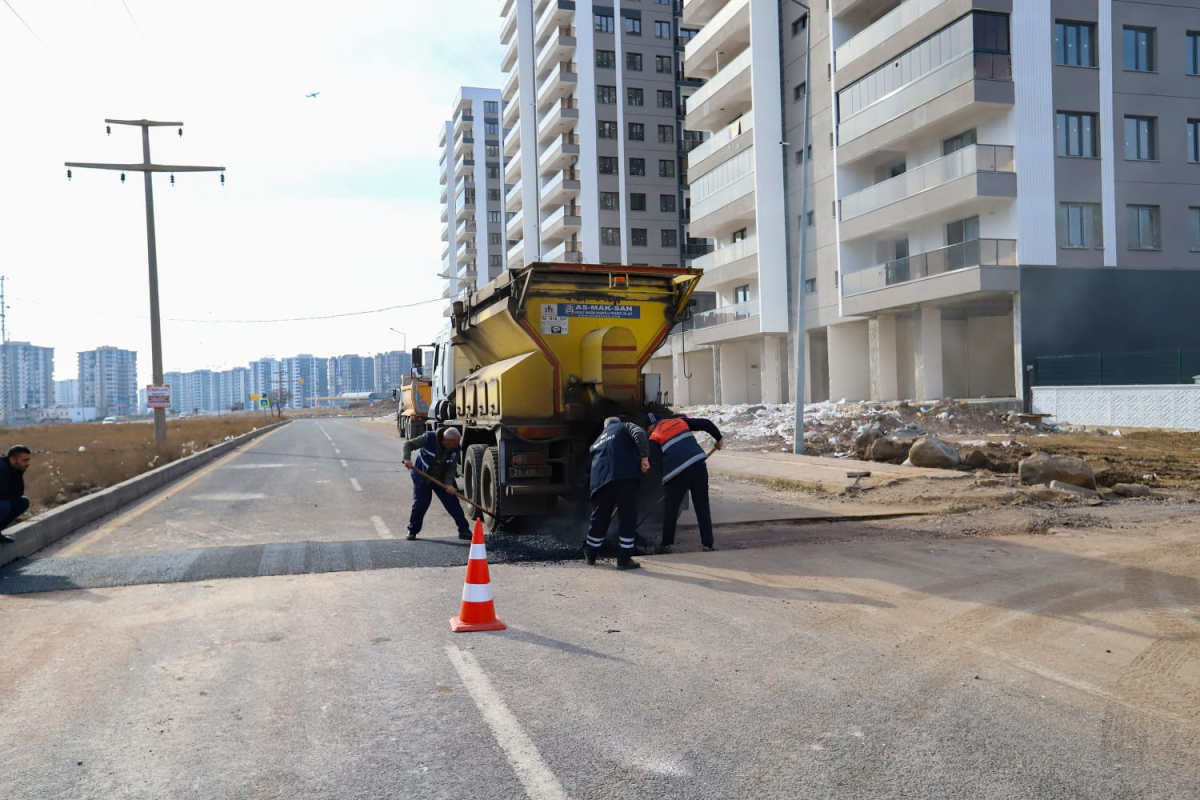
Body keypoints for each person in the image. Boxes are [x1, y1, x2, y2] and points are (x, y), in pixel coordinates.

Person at [646, 412, 723, 554]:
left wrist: (668, 481)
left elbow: (659, 462)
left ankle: (666, 545)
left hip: (676, 473)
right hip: (697, 465)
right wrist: (718, 438)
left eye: (648, 429)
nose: (649, 431)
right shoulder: (680, 422)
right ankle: (708, 544)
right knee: (702, 506)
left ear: (650, 427)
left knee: (671, 509)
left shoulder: (653, 437)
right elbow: (706, 423)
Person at [584, 416, 650, 570]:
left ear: (605, 428)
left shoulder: (598, 440)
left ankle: (591, 553)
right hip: (624, 478)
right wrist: (644, 457)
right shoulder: (624, 426)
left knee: (599, 517)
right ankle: (624, 559)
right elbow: (639, 432)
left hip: (600, 482)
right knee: (628, 517)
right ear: (617, 423)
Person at [402, 427, 471, 541]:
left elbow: (451, 467)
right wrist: (406, 459)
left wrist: (449, 484)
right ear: (445, 441)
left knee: (453, 504)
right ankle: (412, 530)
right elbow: (408, 445)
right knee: (420, 505)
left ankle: (464, 531)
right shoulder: (429, 438)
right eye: (454, 444)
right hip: (423, 477)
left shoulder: (455, 448)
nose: (456, 446)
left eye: (457, 444)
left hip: (441, 479)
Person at [0, 445, 32, 544]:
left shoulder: (14, 469)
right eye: (24, 460)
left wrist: (19, 473)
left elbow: (18, 493)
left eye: (28, 460)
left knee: (23, 502)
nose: (28, 464)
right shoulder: (2, 468)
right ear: (13, 460)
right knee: (4, 505)